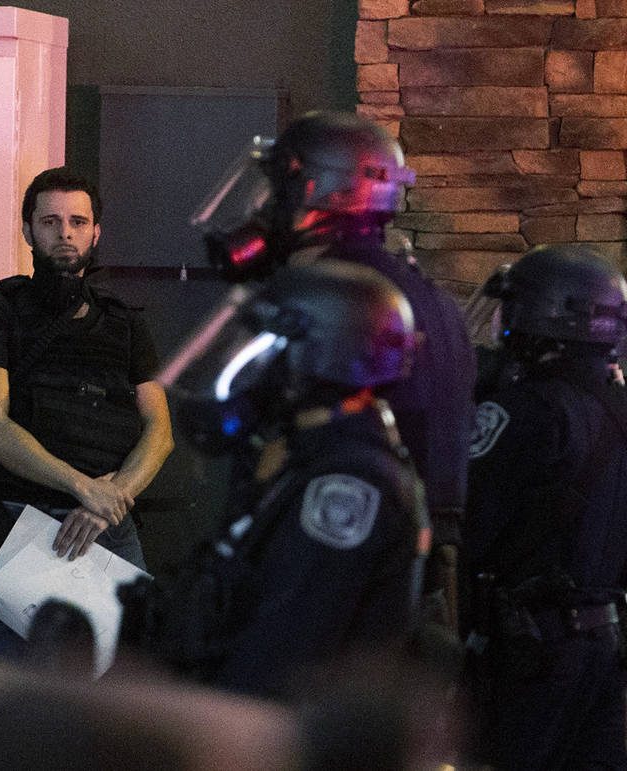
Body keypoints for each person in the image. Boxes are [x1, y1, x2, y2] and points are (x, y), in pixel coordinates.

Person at [194, 110, 474, 633]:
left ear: (326, 191)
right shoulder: (423, 296)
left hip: (333, 572)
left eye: (281, 189)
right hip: (411, 569)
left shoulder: (332, 306)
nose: (267, 209)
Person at [123, 259, 429, 698]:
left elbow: (277, 663)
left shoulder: (349, 484)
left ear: (317, 356)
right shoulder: (311, 457)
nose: (245, 362)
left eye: (265, 346)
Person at [0, 166, 173, 657]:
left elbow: (159, 431)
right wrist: (84, 487)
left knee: (125, 684)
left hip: (110, 526)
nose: (64, 232)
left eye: (77, 221)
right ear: (28, 229)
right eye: (50, 222)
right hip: (19, 524)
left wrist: (108, 499)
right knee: (17, 690)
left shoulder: (124, 321)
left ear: (96, 232)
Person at [462, 245, 627, 770]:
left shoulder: (525, 413)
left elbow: (470, 526)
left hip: (529, 651)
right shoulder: (618, 409)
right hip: (604, 645)